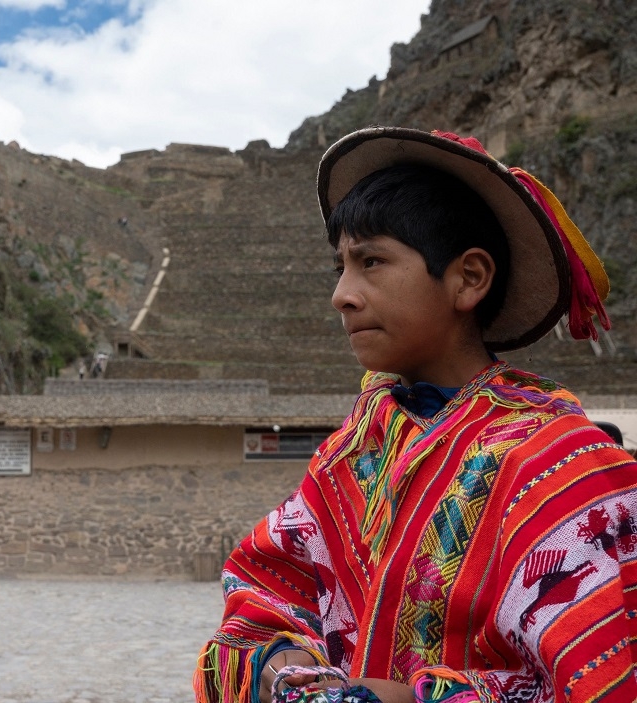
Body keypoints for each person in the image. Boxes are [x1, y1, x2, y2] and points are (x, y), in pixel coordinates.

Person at [194, 127, 637, 703]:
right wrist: (287, 665)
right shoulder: (352, 457)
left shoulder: (562, 468)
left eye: (372, 261)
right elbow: (268, 589)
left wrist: (406, 698)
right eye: (341, 268)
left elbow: (601, 676)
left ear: (468, 278)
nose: (343, 295)